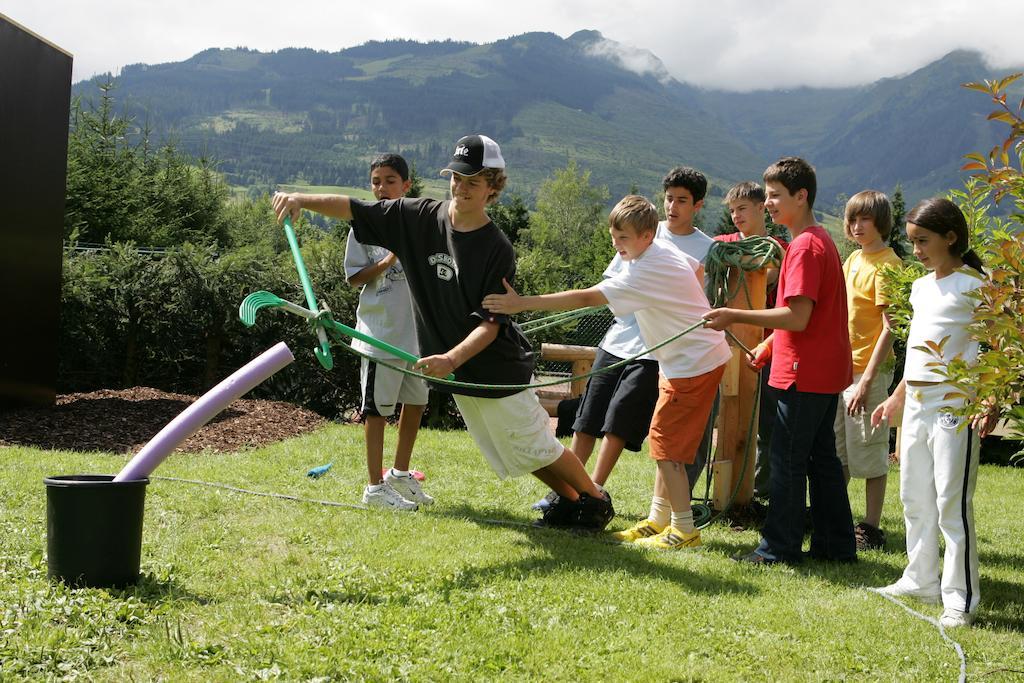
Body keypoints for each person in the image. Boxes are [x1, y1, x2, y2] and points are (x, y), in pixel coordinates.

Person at [273, 134, 614, 529]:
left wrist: (450, 357)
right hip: (459, 374)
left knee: (537, 443)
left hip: (496, 371)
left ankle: (594, 500)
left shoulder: (496, 247)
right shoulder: (418, 217)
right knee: (511, 451)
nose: (461, 188)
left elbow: (491, 323)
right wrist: (300, 198)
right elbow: (355, 209)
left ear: (492, 187)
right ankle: (572, 502)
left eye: (473, 181)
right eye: (456, 178)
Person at [484, 195, 731, 549]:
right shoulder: (657, 247)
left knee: (666, 448)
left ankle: (684, 530)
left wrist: (521, 304)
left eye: (624, 239)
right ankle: (658, 520)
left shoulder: (646, 267)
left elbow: (587, 298)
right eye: (614, 237)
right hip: (681, 360)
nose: (617, 246)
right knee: (665, 443)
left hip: (691, 365)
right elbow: (695, 269)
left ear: (647, 235)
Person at [533, 165, 714, 510]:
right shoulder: (642, 228)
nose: (672, 206)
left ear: (698, 205)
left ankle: (593, 492)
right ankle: (566, 488)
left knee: (620, 419)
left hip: (655, 348)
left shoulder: (705, 246)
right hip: (617, 339)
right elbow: (607, 286)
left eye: (682, 200)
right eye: (668, 198)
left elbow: (698, 287)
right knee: (588, 416)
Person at [704, 157, 856, 564]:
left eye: (774, 196)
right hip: (822, 372)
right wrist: (771, 346)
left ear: (801, 196)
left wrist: (733, 314)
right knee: (821, 460)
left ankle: (778, 548)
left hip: (802, 374)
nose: (768, 203)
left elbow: (798, 316)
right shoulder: (818, 239)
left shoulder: (805, 246)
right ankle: (835, 545)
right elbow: (812, 317)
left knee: (786, 461)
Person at [871, 197, 997, 629]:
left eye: (923, 241)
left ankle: (959, 598)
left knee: (951, 503)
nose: (917, 251)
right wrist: (896, 397)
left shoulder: (978, 285)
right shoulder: (921, 287)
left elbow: (998, 350)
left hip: (954, 407)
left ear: (951, 237)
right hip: (917, 408)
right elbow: (920, 354)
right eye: (912, 242)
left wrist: (987, 401)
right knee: (914, 496)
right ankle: (920, 579)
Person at [344, 153, 432, 511]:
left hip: (417, 339)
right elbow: (353, 278)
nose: (381, 188)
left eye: (389, 181)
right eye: (376, 181)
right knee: (378, 412)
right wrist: (387, 260)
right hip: (379, 336)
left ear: (406, 186)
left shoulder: (419, 225)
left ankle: (398, 473)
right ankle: (374, 488)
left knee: (416, 403)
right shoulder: (363, 226)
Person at [834, 191, 902, 549]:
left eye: (865, 219)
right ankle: (835, 518)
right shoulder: (853, 260)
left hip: (868, 374)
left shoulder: (888, 264)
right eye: (853, 219)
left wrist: (868, 382)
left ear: (880, 223)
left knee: (871, 450)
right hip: (845, 370)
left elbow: (891, 328)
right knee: (841, 451)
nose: (857, 226)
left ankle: (870, 529)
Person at [714, 181, 788, 503]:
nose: (736, 216)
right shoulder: (722, 243)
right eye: (732, 210)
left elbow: (767, 273)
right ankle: (726, 489)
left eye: (742, 208)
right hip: (728, 345)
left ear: (761, 208)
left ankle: (761, 493)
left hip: (769, 345)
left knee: (768, 424)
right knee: (727, 418)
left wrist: (745, 260)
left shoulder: (777, 247)